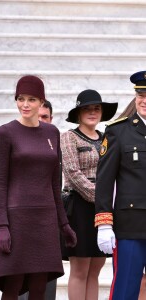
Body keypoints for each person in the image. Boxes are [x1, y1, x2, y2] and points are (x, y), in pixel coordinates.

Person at [0, 75, 77, 300]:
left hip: (45, 220)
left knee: (39, 288)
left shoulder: (52, 133)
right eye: (21, 99)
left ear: (42, 102)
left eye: (31, 99)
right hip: (17, 219)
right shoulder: (6, 132)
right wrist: (1, 225)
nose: (25, 104)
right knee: (13, 285)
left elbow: (54, 183)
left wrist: (64, 223)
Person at [60, 89, 117, 300]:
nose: (92, 112)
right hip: (80, 208)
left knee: (96, 269)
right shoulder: (68, 137)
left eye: (96, 108)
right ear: (78, 113)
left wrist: (109, 201)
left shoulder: (108, 138)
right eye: (87, 109)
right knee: (80, 269)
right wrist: (103, 198)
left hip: (104, 209)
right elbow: (73, 174)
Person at [95, 70, 146, 300]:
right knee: (125, 290)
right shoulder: (118, 131)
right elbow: (104, 180)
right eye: (141, 95)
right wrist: (104, 223)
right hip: (130, 227)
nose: (144, 101)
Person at [19, 99, 57, 300]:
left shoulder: (54, 139)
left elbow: (56, 185)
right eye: (38, 116)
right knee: (18, 284)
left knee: (45, 286)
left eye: (45, 117)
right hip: (21, 221)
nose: (41, 120)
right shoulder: (15, 138)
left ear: (52, 119)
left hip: (47, 221)